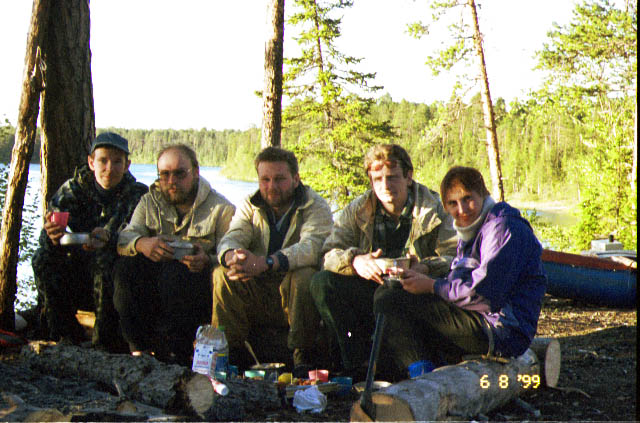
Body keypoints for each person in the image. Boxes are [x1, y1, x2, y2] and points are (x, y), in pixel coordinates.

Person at [372, 166, 547, 378]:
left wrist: (432, 286)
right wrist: (422, 279)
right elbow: (460, 281)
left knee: (391, 299)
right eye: (453, 203)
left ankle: (423, 378)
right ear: (446, 207)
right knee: (393, 292)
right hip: (481, 320)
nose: (462, 209)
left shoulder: (502, 227)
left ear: (482, 194)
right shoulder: (472, 230)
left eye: (467, 199)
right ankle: (422, 370)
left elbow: (484, 294)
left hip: (502, 331)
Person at [310, 144, 457, 380]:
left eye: (392, 177)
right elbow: (328, 253)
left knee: (389, 295)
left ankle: (417, 366)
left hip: (416, 292)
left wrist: (425, 267)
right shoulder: (358, 210)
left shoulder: (434, 209)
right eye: (378, 179)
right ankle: (356, 365)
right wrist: (355, 260)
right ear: (370, 180)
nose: (385, 186)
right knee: (322, 282)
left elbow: (454, 256)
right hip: (372, 286)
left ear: (408, 176)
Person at [211, 147, 333, 375]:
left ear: (295, 179)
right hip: (260, 289)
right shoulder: (251, 204)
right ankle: (230, 353)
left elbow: (313, 247)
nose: (271, 186)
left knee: (305, 275)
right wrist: (233, 256)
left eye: (279, 179)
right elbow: (233, 235)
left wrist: (267, 262)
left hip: (294, 293)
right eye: (265, 180)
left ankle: (302, 356)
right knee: (222, 273)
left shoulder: (315, 206)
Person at [114, 144, 235, 364]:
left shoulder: (221, 209)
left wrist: (206, 260)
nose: (172, 181)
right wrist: (142, 243)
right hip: (155, 286)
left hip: (195, 288)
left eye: (180, 173)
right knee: (126, 269)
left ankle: (178, 355)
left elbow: (232, 254)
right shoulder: (149, 201)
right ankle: (138, 352)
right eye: (165, 174)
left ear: (195, 172)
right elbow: (125, 237)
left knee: (176, 275)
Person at [31, 132, 148, 352]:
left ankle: (104, 344)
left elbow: (141, 241)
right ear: (91, 162)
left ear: (127, 166)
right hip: (76, 273)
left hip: (115, 281)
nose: (109, 168)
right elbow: (46, 239)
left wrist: (110, 240)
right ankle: (62, 335)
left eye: (117, 162)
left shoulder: (138, 196)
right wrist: (52, 236)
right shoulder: (72, 190)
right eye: (103, 160)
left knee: (107, 260)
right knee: (42, 258)